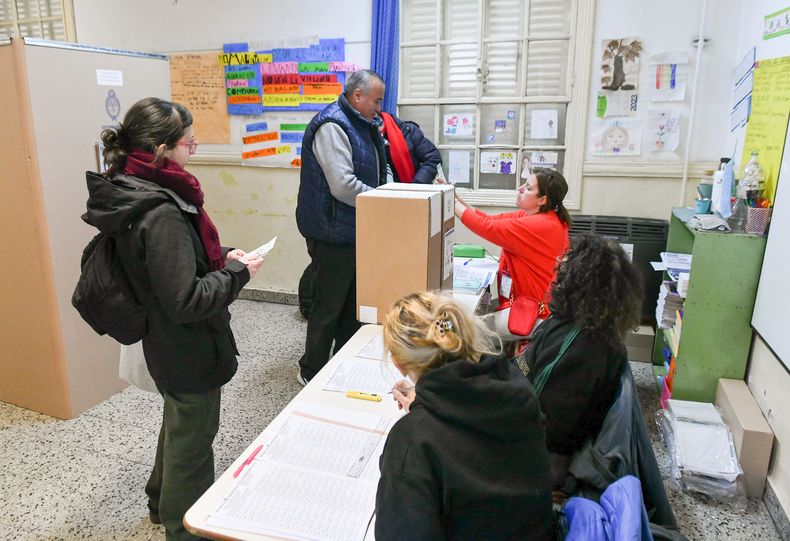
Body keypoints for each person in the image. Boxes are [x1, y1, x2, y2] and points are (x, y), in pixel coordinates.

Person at [83, 97, 264, 540]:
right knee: (193, 441)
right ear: (163, 148)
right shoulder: (162, 210)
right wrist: (238, 274)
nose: (195, 148)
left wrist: (222, 257)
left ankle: (158, 500)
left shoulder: (130, 185)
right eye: (189, 141)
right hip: (185, 341)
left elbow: (169, 265)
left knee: (180, 417)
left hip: (162, 338)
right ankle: (183, 530)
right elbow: (186, 299)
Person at [375, 292, 553, 540]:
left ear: (399, 363)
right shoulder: (516, 388)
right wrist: (428, 405)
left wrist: (424, 414)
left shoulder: (412, 440)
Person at [523, 234, 643, 488]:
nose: (559, 268)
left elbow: (540, 419)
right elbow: (529, 367)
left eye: (566, 265)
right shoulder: (583, 324)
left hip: (541, 457)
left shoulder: (580, 347)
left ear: (581, 280)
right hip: (541, 432)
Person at [294, 69, 387, 384]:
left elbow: (375, 169)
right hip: (332, 231)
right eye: (376, 100)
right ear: (357, 96)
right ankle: (312, 371)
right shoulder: (332, 125)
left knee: (352, 306)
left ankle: (343, 364)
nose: (379, 107)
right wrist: (385, 200)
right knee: (328, 307)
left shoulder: (363, 123)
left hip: (354, 229)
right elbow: (343, 186)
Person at [451, 168, 571, 341]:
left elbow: (487, 227)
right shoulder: (541, 216)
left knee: (467, 329)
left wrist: (449, 202)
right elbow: (489, 220)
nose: (521, 189)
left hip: (535, 314)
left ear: (542, 200)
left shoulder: (540, 225)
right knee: (478, 315)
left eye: (529, 188)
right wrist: (456, 199)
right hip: (529, 304)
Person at [379, 111, 441, 184]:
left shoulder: (407, 130)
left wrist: (416, 185)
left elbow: (433, 157)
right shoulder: (365, 136)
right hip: (377, 192)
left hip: (412, 190)